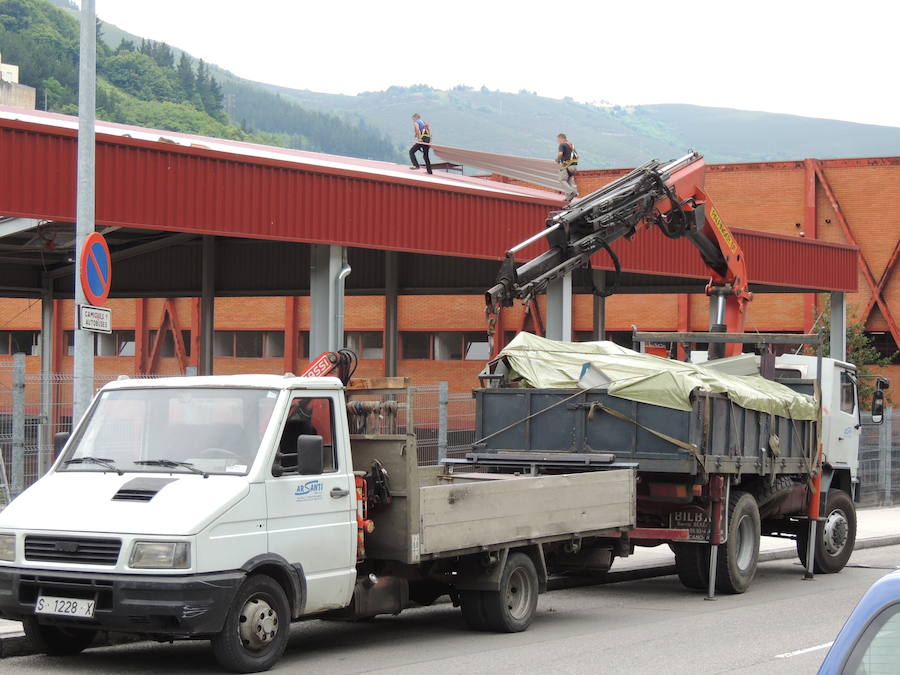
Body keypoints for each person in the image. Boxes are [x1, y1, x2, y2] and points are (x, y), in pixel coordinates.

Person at [556, 133, 578, 200]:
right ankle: (568, 198)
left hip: (567, 166)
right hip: (574, 167)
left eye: (558, 140)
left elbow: (560, 153)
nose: (557, 141)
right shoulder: (571, 145)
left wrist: (558, 160)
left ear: (561, 138)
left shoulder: (562, 145)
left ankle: (572, 192)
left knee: (561, 180)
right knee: (568, 182)